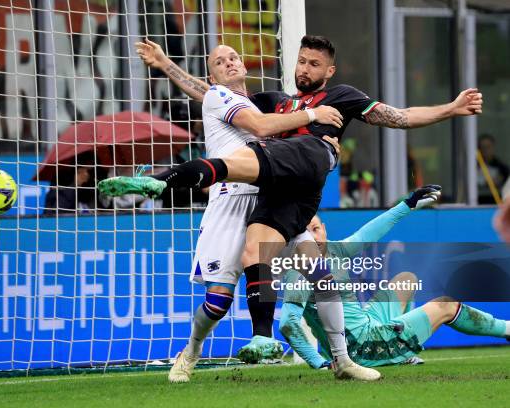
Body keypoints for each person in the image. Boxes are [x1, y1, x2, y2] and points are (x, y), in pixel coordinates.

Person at [99, 36, 482, 378]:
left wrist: (450, 108)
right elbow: (214, 94)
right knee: (232, 291)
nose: (304, 68)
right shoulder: (274, 104)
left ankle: (340, 359)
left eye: (314, 64)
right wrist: (167, 66)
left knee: (315, 265)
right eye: (301, 61)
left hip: (294, 183)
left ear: (329, 71)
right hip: (253, 199)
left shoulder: (340, 96)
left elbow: (399, 116)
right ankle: (205, 348)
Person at [280, 187, 510, 368]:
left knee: (406, 279)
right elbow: (288, 324)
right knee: (445, 305)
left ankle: (402, 352)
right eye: (306, 233)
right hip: (360, 348)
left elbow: (367, 233)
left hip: (369, 326)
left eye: (316, 228)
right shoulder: (300, 269)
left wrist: (407, 205)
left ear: (324, 227)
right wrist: (319, 363)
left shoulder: (334, 249)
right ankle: (506, 328)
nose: (313, 236)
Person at [477, 134, 509, 204]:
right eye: (482, 147)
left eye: (488, 147)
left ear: (493, 147)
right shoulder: (472, 168)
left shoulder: (502, 168)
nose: (485, 150)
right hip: (478, 202)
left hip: (496, 203)